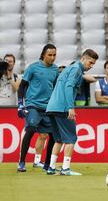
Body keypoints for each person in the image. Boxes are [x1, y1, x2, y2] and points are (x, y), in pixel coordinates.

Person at [46, 49, 98, 176]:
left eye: (93, 64)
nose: (91, 66)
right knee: (71, 139)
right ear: (83, 58)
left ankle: (51, 168)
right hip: (63, 107)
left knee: (58, 139)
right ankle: (65, 169)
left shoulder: (69, 68)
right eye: (90, 63)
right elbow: (69, 87)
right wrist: (70, 107)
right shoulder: (76, 70)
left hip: (52, 107)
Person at [17, 44, 58, 172]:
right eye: (50, 55)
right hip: (33, 104)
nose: (52, 57)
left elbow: (56, 89)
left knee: (52, 135)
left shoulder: (55, 69)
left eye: (54, 55)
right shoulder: (33, 68)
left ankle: (47, 165)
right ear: (43, 55)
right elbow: (22, 86)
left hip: (48, 107)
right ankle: (22, 162)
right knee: (30, 128)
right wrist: (20, 104)